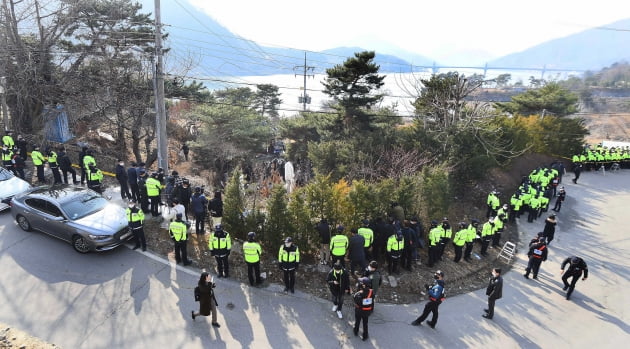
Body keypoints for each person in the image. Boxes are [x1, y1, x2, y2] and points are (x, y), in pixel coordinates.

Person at [352, 277, 374, 341]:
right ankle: (365, 335)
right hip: (367, 311)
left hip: (359, 311)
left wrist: (357, 291)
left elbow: (355, 300)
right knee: (365, 323)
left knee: (357, 321)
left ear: (363, 285)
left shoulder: (358, 294)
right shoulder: (371, 292)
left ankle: (356, 331)